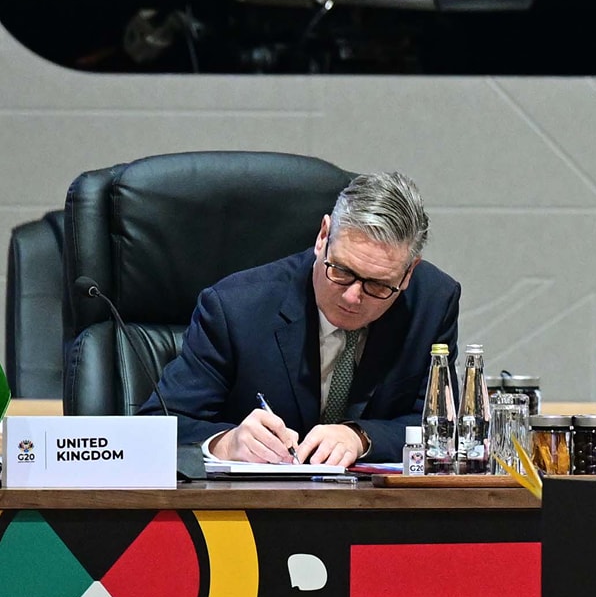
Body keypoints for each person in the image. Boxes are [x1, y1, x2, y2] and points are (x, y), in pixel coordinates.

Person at [144, 171, 461, 465]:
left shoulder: (433, 303)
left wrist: (361, 437)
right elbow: (158, 425)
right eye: (342, 271)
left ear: (409, 272)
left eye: (378, 285)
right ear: (323, 236)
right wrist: (225, 443)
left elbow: (442, 428)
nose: (352, 297)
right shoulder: (235, 307)